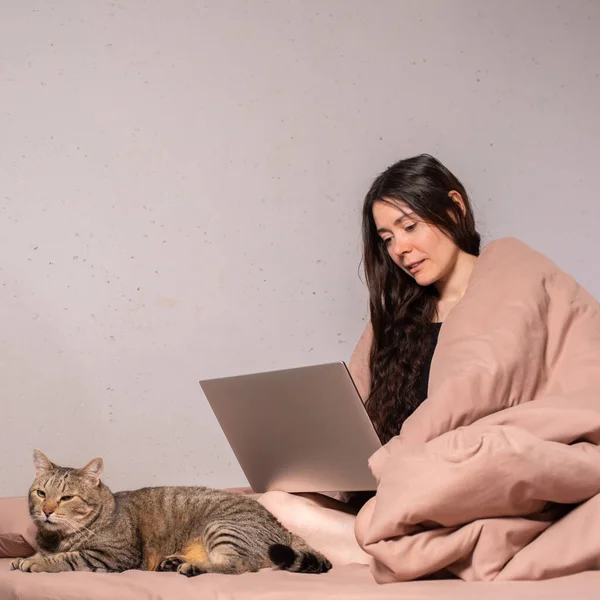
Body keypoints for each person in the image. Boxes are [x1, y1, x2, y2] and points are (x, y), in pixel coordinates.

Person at [258, 154, 482, 565]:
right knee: (273, 503)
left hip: (458, 496)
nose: (401, 248)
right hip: (392, 501)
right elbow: (355, 409)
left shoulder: (508, 300)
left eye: (409, 226)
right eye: (387, 238)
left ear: (455, 206)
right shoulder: (395, 317)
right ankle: (417, 556)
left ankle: (431, 555)